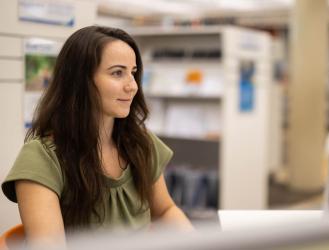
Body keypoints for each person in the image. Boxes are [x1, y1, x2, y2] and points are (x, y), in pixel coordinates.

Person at [1, 25, 193, 247]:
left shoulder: (140, 143)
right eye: (117, 73)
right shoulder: (42, 158)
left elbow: (166, 210)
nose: (132, 86)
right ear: (80, 80)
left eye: (133, 73)